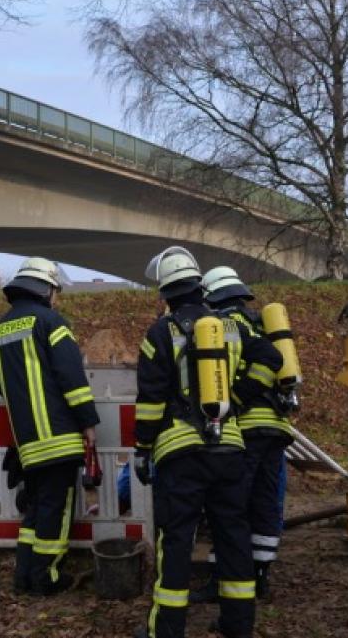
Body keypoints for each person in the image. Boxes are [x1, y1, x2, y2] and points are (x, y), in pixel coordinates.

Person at [132, 247, 282, 638]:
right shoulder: (230, 326)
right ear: (199, 286)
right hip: (231, 447)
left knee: (177, 539)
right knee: (232, 534)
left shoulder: (160, 332)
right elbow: (271, 359)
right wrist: (238, 397)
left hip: (180, 455)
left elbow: (150, 401)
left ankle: (166, 631)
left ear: (164, 293)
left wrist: (143, 449)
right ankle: (238, 625)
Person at [0, 256, 99, 596]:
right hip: (58, 438)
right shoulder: (52, 322)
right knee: (56, 510)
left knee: (35, 510)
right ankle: (46, 578)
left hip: (26, 442)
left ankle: (24, 577)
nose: (57, 298)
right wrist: (89, 423)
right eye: (56, 291)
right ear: (46, 288)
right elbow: (73, 379)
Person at [198, 266, 296, 601]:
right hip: (276, 428)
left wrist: (235, 399)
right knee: (265, 503)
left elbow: (265, 361)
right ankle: (260, 575)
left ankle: (221, 580)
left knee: (230, 505)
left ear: (212, 297)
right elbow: (278, 363)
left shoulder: (225, 325)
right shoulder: (263, 325)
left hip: (248, 429)